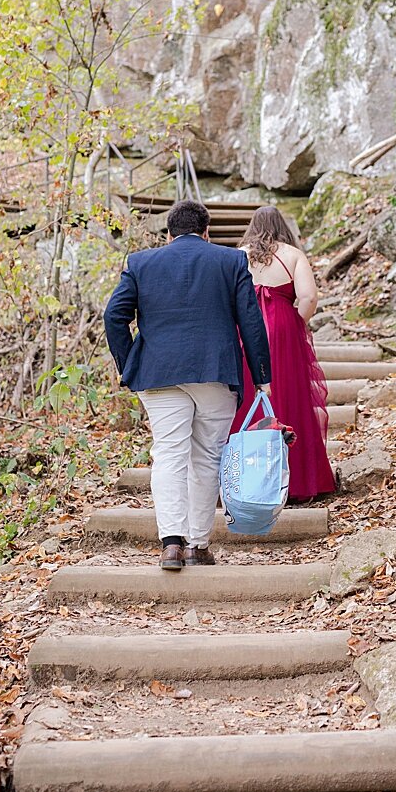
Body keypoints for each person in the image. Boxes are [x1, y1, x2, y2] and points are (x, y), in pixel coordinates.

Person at [104, 199, 271, 569]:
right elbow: (252, 321)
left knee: (168, 454)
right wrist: (262, 377)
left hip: (158, 373)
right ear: (207, 231)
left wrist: (128, 362)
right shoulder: (230, 261)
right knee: (207, 457)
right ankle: (197, 545)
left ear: (168, 234)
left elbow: (114, 316)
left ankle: (171, 544)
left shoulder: (141, 262)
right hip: (215, 372)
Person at [228, 205, 333, 503]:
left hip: (246, 329)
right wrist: (296, 322)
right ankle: (296, 483)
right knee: (289, 394)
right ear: (282, 225)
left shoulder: (240, 254)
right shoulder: (292, 254)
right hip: (284, 329)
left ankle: (244, 479)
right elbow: (309, 296)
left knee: (248, 396)